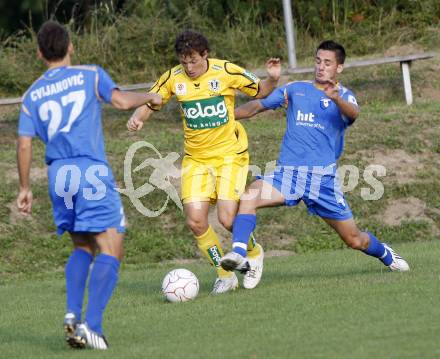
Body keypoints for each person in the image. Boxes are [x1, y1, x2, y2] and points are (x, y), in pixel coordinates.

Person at [16, 20, 162, 350]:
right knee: (112, 246)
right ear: (70, 46)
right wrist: (150, 95)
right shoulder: (89, 74)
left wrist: (25, 188)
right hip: (90, 172)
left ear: (40, 53)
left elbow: (24, 144)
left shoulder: (32, 94)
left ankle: (72, 315)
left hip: (58, 174)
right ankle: (91, 326)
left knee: (82, 245)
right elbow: (122, 102)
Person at [220, 40, 410, 274]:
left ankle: (385, 253)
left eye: (328, 63)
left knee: (354, 239)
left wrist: (336, 98)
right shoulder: (295, 89)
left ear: (339, 68)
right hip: (287, 175)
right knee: (249, 196)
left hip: (322, 181)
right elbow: (257, 106)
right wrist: (224, 117)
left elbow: (354, 114)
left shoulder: (344, 96)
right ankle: (240, 255)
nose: (321, 67)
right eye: (318, 61)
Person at [127, 30, 281, 293]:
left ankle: (253, 253)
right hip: (196, 160)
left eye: (194, 61)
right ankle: (225, 275)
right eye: (184, 62)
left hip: (230, 156)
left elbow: (261, 92)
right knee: (196, 221)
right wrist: (139, 117)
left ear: (205, 55)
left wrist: (272, 79)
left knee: (227, 218)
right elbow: (152, 100)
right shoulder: (174, 78)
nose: (189, 67)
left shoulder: (226, 71)